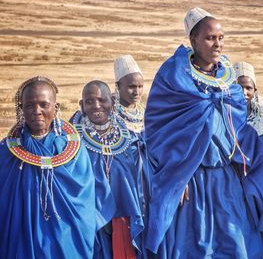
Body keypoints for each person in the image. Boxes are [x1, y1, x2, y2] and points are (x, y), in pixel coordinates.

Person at [144, 7, 263, 258]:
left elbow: (236, 124)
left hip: (225, 179)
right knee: (194, 246)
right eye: (211, 38)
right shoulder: (173, 75)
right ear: (193, 40)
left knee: (233, 242)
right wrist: (176, 177)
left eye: (221, 38)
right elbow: (158, 129)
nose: (218, 44)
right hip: (191, 180)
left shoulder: (226, 76)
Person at [0, 76, 96, 258]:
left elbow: (84, 197)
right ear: (21, 109)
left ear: (56, 108)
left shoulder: (73, 150)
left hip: (65, 235)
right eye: (29, 105)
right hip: (20, 235)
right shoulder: (6, 151)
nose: (37, 111)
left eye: (44, 104)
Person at [70, 80, 144, 259]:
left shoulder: (127, 136)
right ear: (81, 105)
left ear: (111, 100)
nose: (96, 106)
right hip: (88, 218)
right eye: (89, 101)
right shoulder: (71, 139)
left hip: (122, 216)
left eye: (102, 100)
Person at [114, 55, 150, 258]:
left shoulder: (147, 113)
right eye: (130, 87)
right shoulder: (109, 115)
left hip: (147, 183)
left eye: (140, 86)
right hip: (124, 185)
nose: (136, 92)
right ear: (117, 86)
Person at [234, 61, 263, 137]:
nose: (243, 92)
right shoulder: (222, 114)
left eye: (248, 88)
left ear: (255, 91)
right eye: (238, 87)